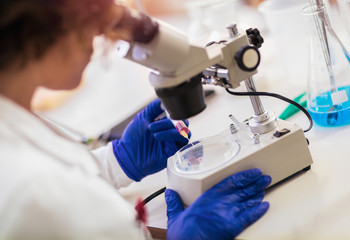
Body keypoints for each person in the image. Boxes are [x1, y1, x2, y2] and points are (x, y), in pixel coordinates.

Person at [0, 0, 271, 239]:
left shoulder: (13, 112)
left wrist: (117, 161)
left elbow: (62, 178)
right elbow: (53, 195)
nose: (101, 33)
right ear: (43, 20)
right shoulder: (32, 191)